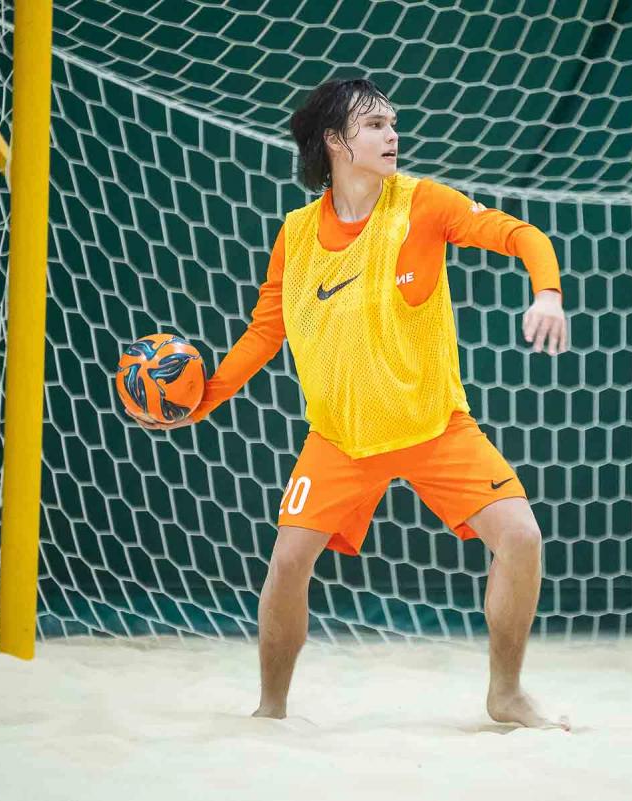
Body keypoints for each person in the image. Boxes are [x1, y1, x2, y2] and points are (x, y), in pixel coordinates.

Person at [152, 77, 568, 729]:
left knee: (521, 536)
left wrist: (547, 293)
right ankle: (270, 707)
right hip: (340, 437)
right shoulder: (296, 234)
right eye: (374, 125)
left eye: (392, 123)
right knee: (288, 560)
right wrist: (197, 405)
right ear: (335, 141)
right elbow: (265, 332)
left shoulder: (424, 203)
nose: (392, 135)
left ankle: (507, 692)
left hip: (434, 426)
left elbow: (521, 235)